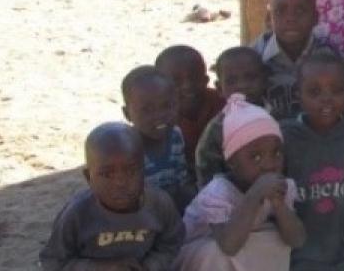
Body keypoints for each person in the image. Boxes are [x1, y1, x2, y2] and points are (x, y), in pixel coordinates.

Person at [176, 94, 306, 270]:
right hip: (205, 254)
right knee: (213, 251)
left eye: (276, 153)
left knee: (274, 238)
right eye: (256, 157)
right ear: (231, 163)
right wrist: (255, 194)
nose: (269, 164)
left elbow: (297, 240)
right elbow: (228, 245)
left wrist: (279, 204)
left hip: (242, 248)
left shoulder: (283, 186)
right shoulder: (218, 194)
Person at [281, 53, 344, 271]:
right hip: (303, 257)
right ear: (298, 94)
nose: (326, 99)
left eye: (337, 91)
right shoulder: (285, 138)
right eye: (314, 92)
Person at [40, 122, 184, 271]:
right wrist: (100, 268)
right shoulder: (76, 214)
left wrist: (149, 266)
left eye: (131, 171)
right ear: (89, 177)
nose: (120, 183)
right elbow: (53, 261)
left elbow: (172, 243)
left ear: (144, 170)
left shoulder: (159, 204)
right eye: (106, 174)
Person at [251, 0, 334, 120]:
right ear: (268, 19)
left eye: (300, 10)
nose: (291, 18)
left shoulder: (327, 57)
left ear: (316, 18)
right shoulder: (254, 57)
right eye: (281, 10)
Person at [121, 65, 196, 214]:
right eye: (147, 110)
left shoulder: (175, 135)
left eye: (167, 106)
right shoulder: (128, 150)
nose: (159, 115)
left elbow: (182, 180)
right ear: (127, 114)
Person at [196, 47, 272, 187]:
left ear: (265, 79)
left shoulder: (277, 119)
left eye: (250, 78)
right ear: (219, 88)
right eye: (231, 81)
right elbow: (208, 179)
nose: (242, 86)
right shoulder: (217, 130)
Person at [154, 45, 224, 171]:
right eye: (176, 80)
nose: (187, 85)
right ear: (160, 86)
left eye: (194, 77)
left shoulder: (222, 103)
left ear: (206, 79)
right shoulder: (157, 117)